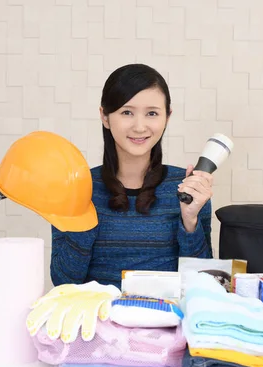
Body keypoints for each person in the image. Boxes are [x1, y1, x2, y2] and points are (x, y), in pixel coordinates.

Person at [50, 63, 214, 289]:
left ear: (167, 117)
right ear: (105, 117)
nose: (139, 126)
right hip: (99, 320)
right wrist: (81, 216)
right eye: (127, 112)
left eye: (152, 113)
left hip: (166, 319)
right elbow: (64, 283)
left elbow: (206, 285)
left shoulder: (187, 189)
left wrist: (190, 220)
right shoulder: (75, 188)